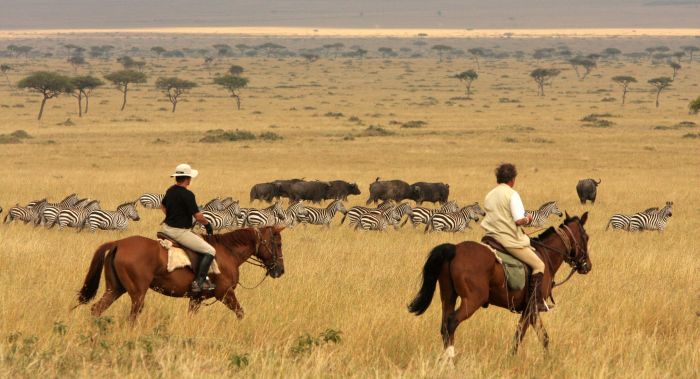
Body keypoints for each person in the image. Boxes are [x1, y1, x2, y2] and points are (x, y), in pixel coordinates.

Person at [480, 163, 548, 312]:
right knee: (539, 265)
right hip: (508, 241)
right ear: (512, 179)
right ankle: (535, 303)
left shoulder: (489, 194)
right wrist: (528, 219)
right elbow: (519, 220)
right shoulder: (512, 194)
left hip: (490, 238)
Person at [160, 163, 216, 294]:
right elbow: (198, 215)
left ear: (177, 178)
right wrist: (208, 225)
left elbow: (162, 206)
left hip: (166, 228)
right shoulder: (188, 194)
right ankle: (199, 282)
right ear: (187, 179)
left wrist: (172, 216)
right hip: (179, 232)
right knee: (210, 251)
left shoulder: (170, 190)